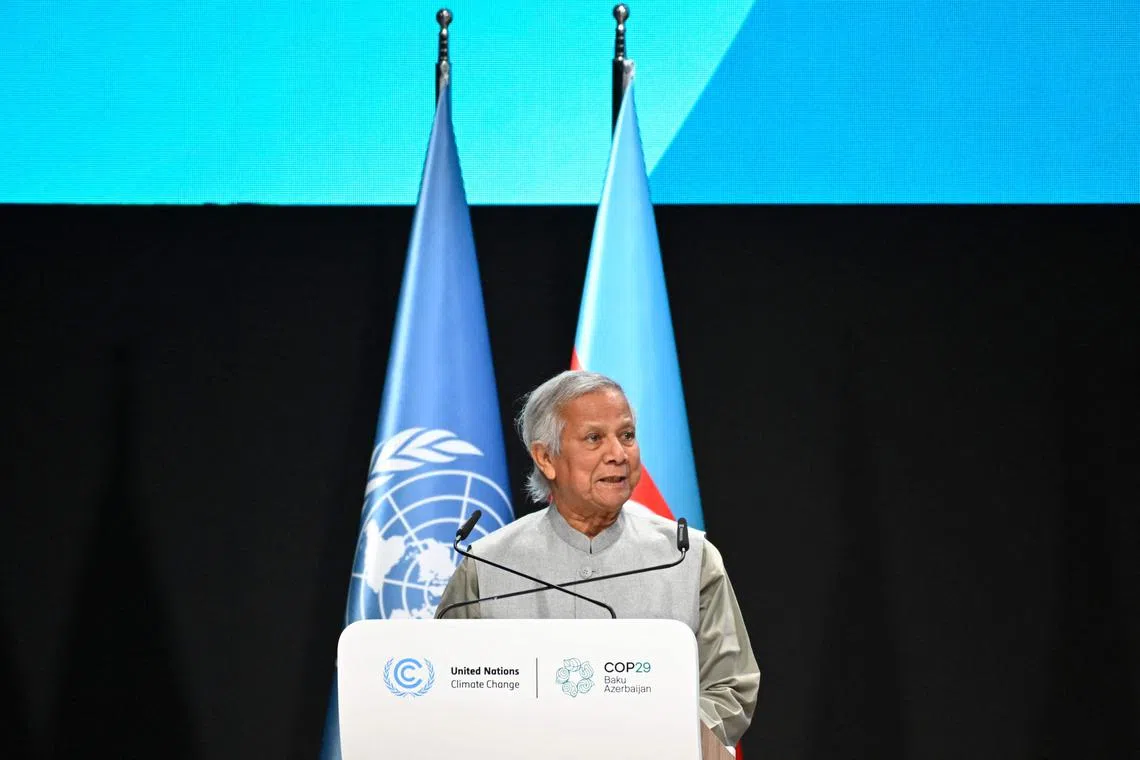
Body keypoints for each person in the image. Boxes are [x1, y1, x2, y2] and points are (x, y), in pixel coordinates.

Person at [436, 369, 760, 748]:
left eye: (626, 436)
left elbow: (730, 685)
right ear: (546, 458)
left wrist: (665, 742)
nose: (618, 455)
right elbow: (448, 688)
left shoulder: (687, 556)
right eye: (594, 438)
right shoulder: (487, 564)